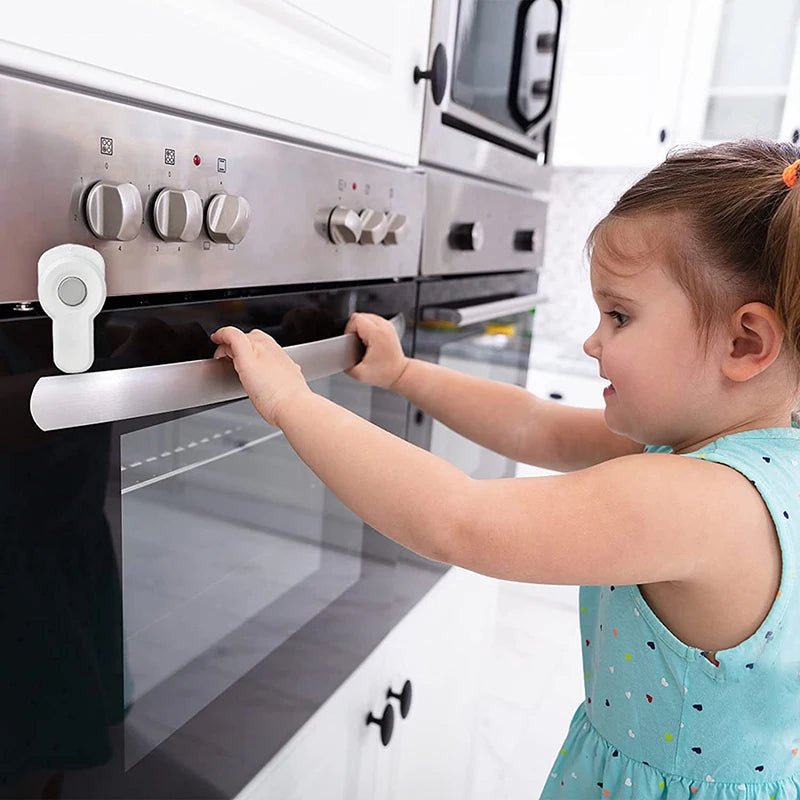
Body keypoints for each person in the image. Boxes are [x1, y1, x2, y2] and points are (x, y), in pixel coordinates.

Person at [211, 139, 800, 799]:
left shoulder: (702, 503)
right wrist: (403, 373)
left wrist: (292, 402)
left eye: (619, 316)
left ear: (744, 342)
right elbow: (533, 424)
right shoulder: (753, 460)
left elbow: (458, 522)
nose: (592, 340)